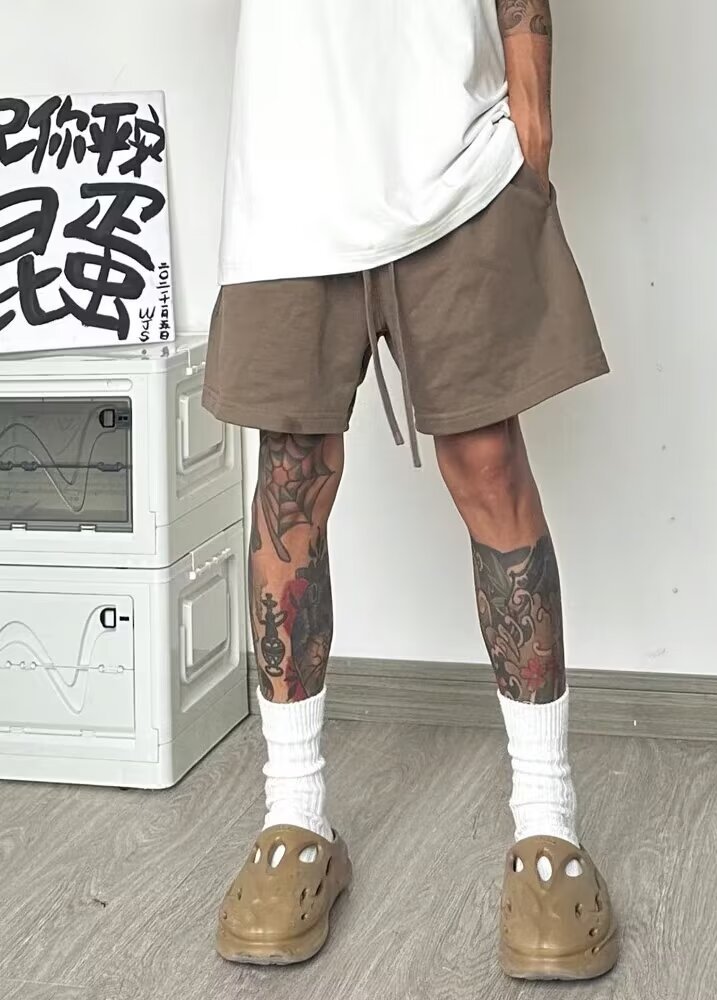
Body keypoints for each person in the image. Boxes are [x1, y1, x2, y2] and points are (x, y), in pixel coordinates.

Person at [203, 0, 618, 981]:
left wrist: (532, 110)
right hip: (290, 175)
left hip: (458, 163)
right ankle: (295, 817)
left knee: (487, 463)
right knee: (290, 481)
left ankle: (546, 821)